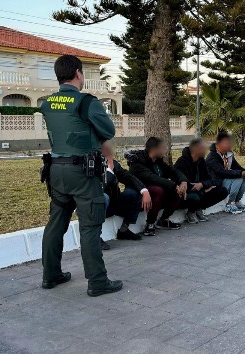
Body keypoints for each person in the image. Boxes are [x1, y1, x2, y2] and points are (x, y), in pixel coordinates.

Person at [39, 54, 122, 297]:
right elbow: (108, 130)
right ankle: (97, 282)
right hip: (83, 173)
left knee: (56, 224)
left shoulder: (46, 103)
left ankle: (51, 274)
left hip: (56, 170)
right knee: (89, 227)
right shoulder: (87, 102)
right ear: (77, 73)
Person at [126, 137, 188, 234]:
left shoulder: (158, 161)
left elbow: (173, 171)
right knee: (158, 190)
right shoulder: (138, 162)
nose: (165, 150)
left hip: (156, 192)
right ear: (154, 149)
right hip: (139, 191)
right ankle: (150, 224)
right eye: (163, 148)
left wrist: (183, 182)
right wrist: (174, 185)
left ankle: (163, 219)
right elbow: (152, 177)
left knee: (176, 190)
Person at [101, 141, 151, 245]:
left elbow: (128, 177)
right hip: (99, 207)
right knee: (103, 197)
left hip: (114, 205)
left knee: (133, 192)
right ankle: (95, 236)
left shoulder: (113, 163)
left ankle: (124, 229)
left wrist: (144, 191)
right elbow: (100, 187)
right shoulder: (93, 165)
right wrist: (109, 170)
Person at [174, 138, 229, 224]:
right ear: (197, 149)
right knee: (196, 196)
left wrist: (202, 184)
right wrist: (198, 187)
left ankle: (198, 208)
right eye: (203, 148)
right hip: (186, 193)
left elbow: (210, 179)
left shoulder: (201, 161)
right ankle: (191, 212)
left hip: (200, 190)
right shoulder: (182, 162)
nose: (206, 151)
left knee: (223, 191)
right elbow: (180, 181)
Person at [206, 133, 245, 214]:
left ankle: (237, 201)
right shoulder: (212, 157)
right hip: (216, 183)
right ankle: (229, 204)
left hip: (225, 179)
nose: (229, 145)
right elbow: (221, 172)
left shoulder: (229, 154)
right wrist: (240, 173)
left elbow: (238, 167)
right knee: (239, 177)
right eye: (227, 143)